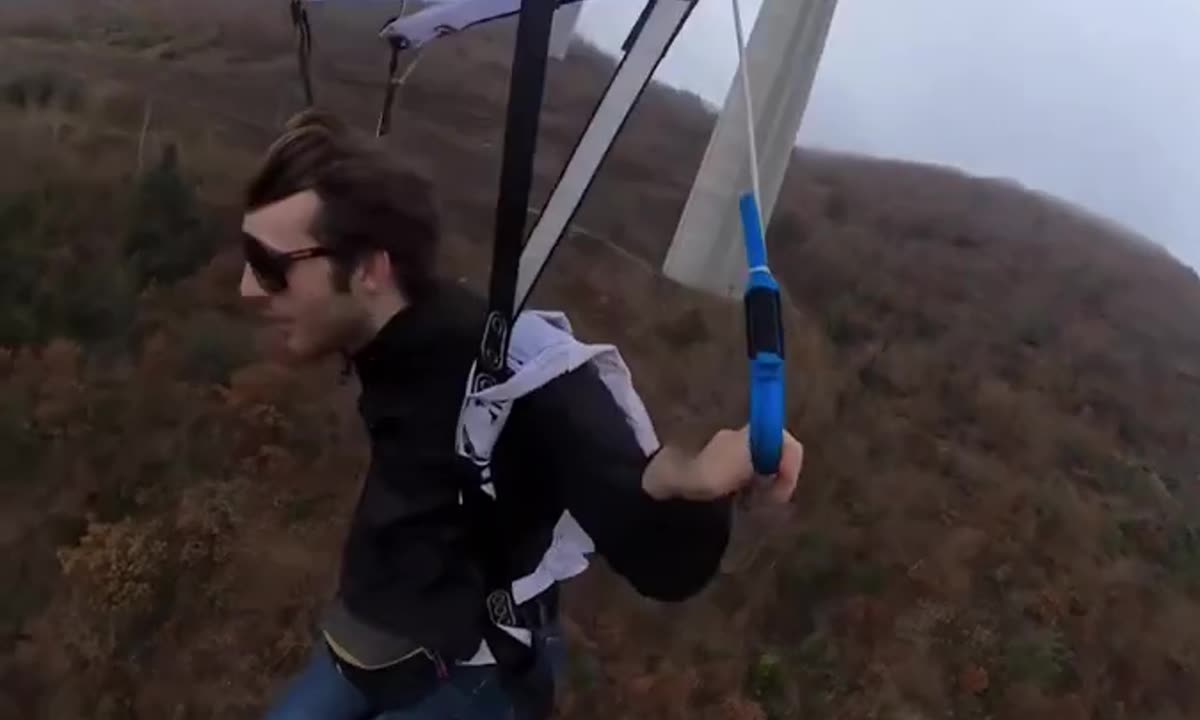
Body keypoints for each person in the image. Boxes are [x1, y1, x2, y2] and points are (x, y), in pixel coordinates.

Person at [237, 110, 804, 719]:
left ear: (370, 270)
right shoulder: (380, 334)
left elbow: (655, 551)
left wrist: (693, 487)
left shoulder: (515, 373)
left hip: (471, 674)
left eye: (272, 268)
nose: (248, 288)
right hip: (375, 632)